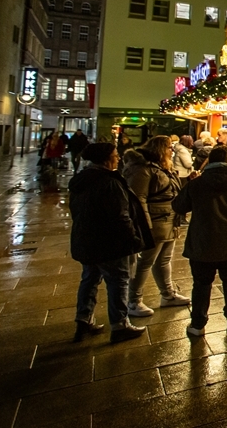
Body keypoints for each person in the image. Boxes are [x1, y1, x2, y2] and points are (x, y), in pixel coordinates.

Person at [69, 143, 152, 343]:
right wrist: (133, 239)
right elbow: (121, 216)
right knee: (118, 281)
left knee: (89, 279)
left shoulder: (81, 180)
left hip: (85, 239)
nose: (118, 158)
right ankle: (119, 325)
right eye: (115, 155)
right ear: (106, 159)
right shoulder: (110, 182)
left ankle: (83, 319)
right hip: (110, 242)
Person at [172, 146, 227, 336]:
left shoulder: (197, 183)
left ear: (210, 160)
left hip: (203, 240)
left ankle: (198, 325)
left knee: (202, 283)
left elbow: (178, 206)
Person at [122, 135, 190, 316]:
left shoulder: (160, 167)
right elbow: (138, 198)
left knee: (164, 259)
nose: (171, 151)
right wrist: (145, 224)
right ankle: (134, 301)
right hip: (156, 219)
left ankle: (168, 294)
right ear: (160, 149)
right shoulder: (143, 169)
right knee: (146, 260)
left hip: (169, 217)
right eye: (169, 148)